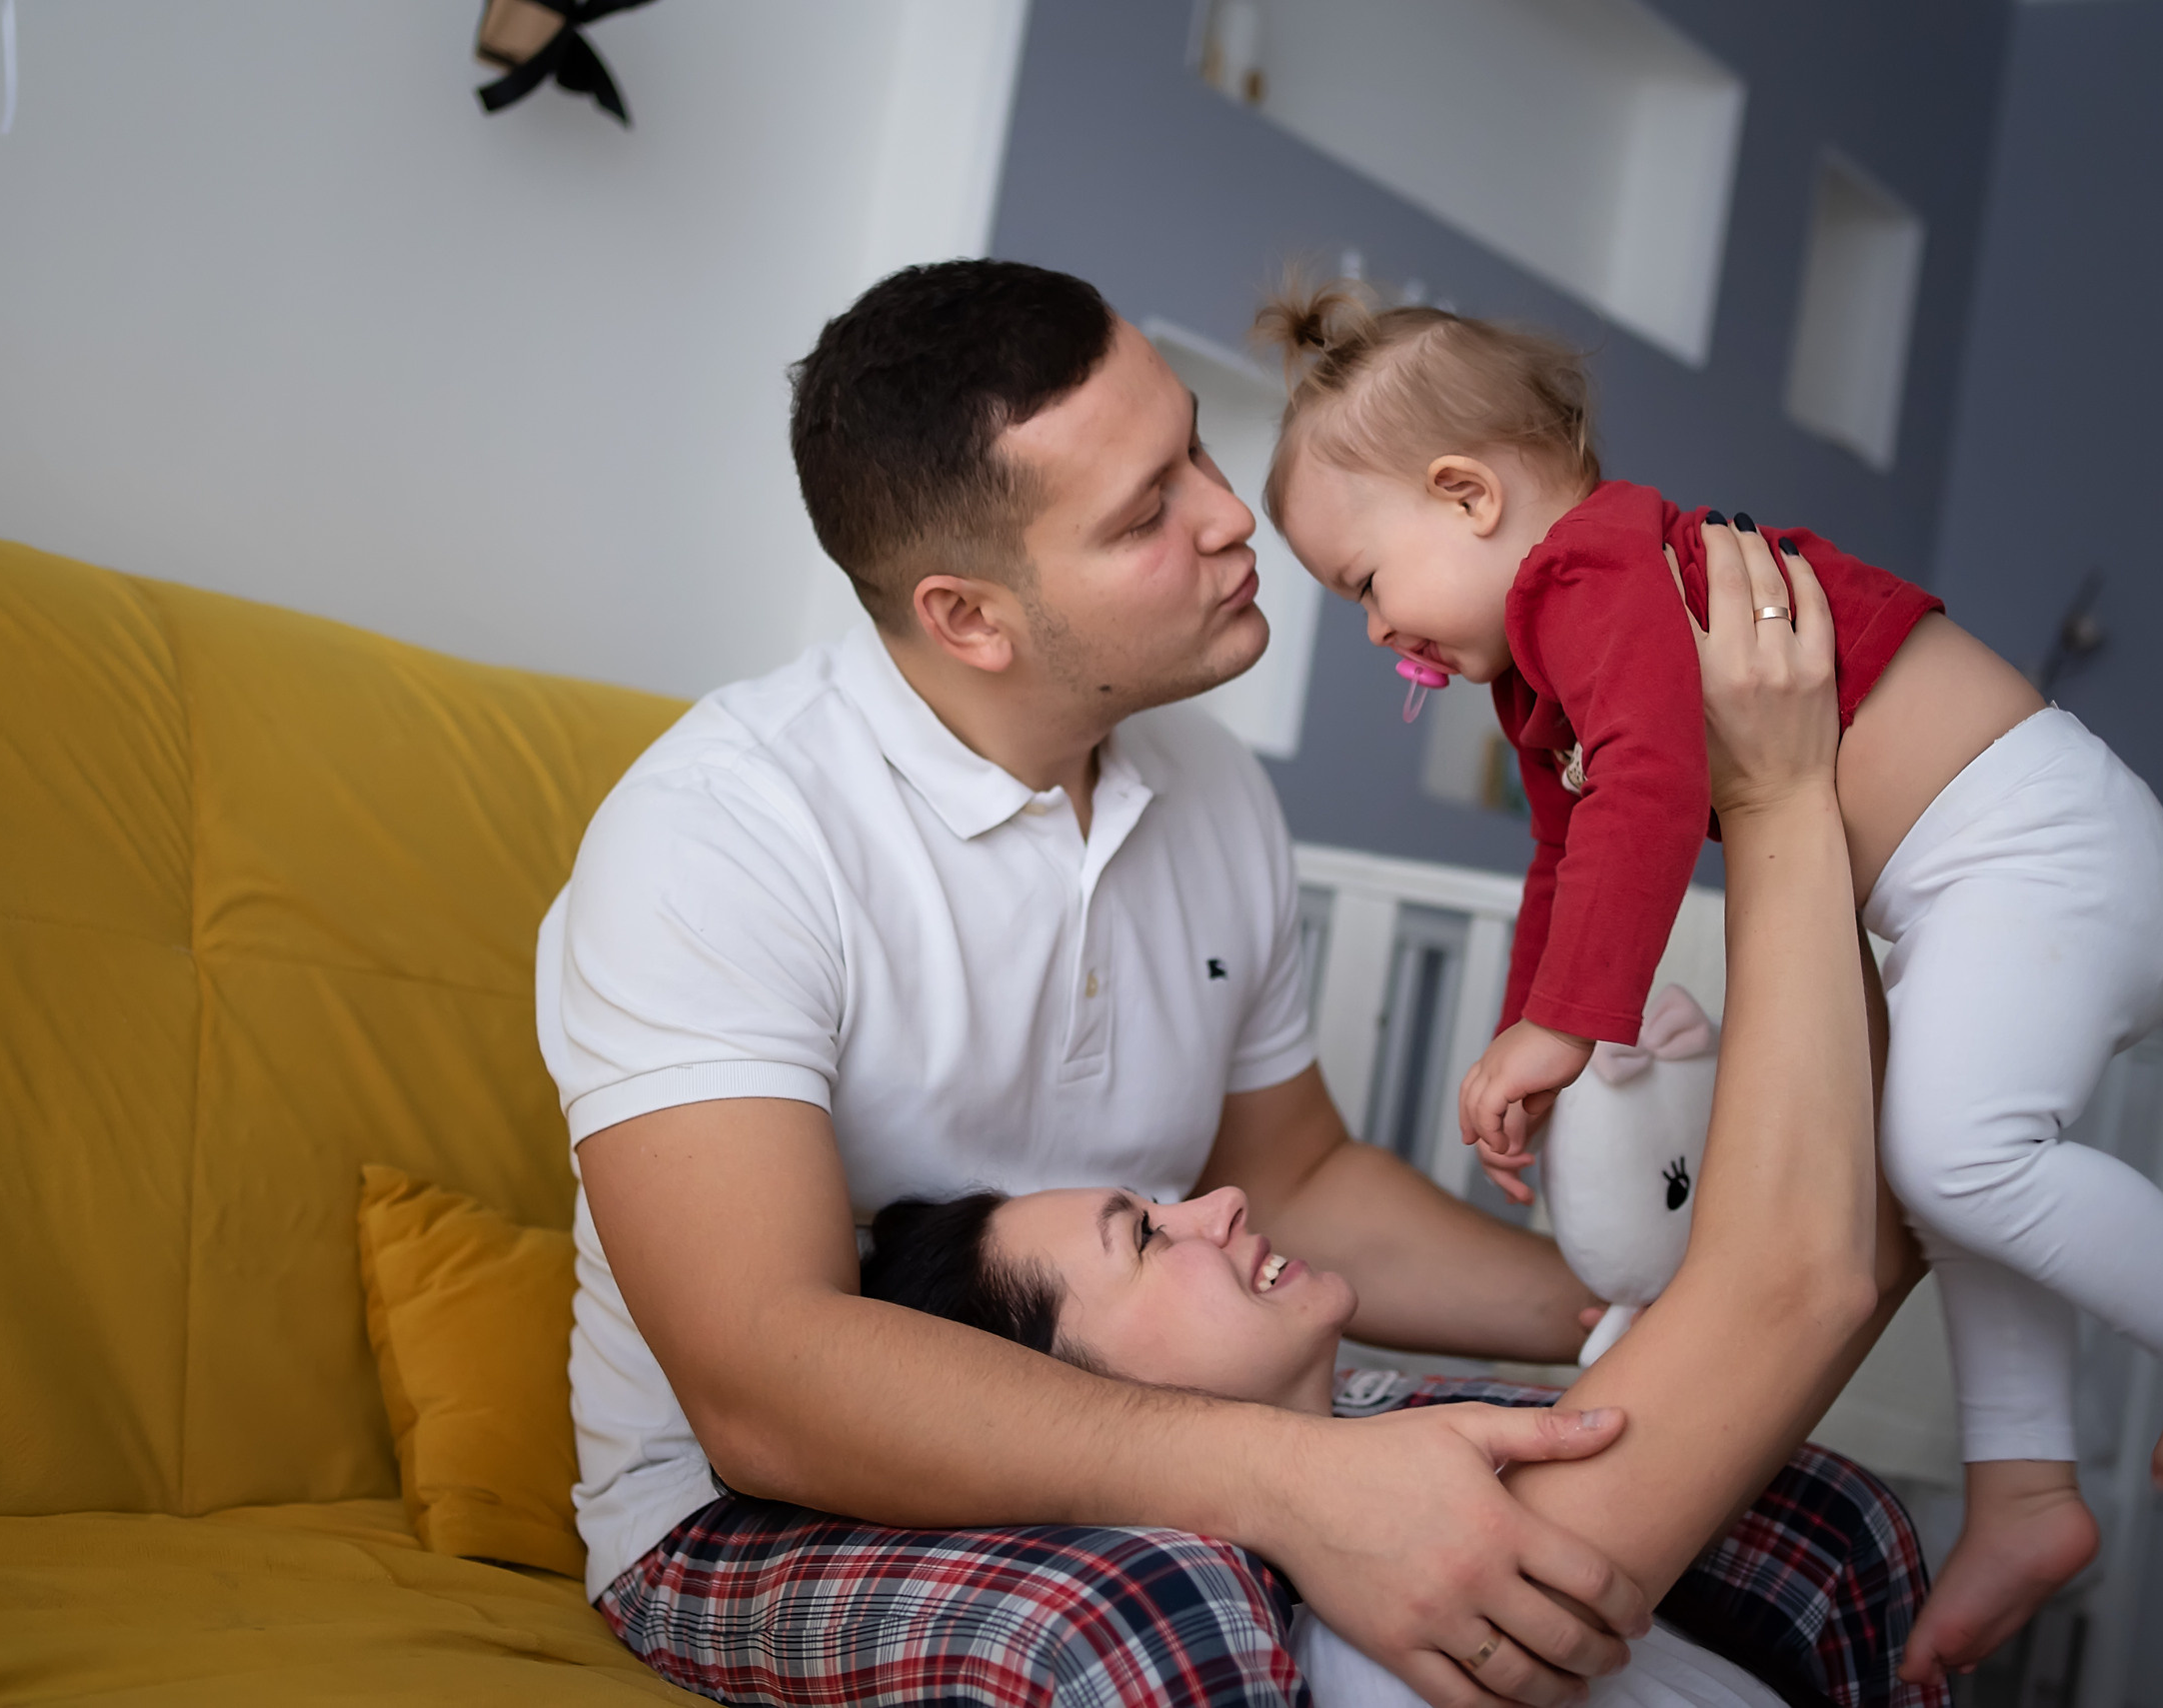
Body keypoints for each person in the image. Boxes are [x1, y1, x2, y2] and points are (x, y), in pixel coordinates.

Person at [539, 258, 1905, 1708]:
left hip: (1172, 1394)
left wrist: (1627, 1314)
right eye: (1147, 512)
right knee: (1166, 1614)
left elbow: (1293, 1174)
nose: (1231, 512)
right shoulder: (722, 832)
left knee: (1804, 1518)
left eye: (1193, 440)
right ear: (971, 617)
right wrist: (1297, 1483)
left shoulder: (1206, 785)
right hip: (754, 1504)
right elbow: (762, 1378)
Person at [1250, 279, 2163, 1684]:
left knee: (1957, 1153)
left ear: (1465, 496)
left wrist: (1567, 1024)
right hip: (1962, 894)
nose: (1382, 635)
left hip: (2043, 848)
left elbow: (1648, 786)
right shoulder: (1540, 671)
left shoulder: (1590, 571)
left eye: (1365, 586)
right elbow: (1569, 855)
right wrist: (1537, 1033)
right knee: (1926, 1161)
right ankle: (2027, 1488)